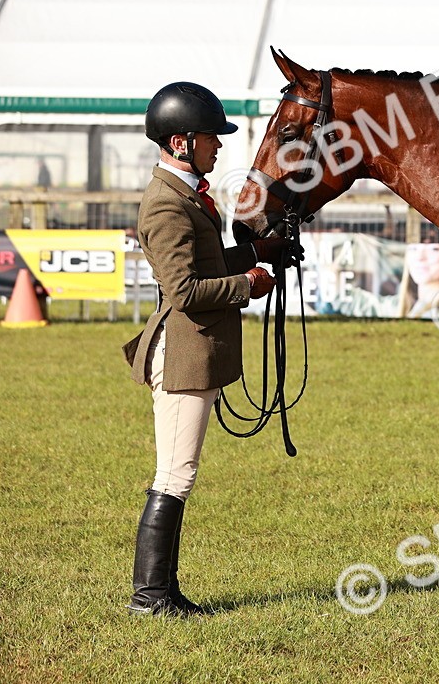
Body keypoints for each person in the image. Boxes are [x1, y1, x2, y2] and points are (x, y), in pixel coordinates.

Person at [121, 82, 288, 617]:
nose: (218, 146)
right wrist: (250, 285)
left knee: (180, 473)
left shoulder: (187, 193)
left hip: (200, 350)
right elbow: (186, 291)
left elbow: (208, 264)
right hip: (183, 354)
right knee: (175, 474)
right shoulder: (166, 204)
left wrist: (258, 251)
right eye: (210, 138)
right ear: (179, 143)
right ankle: (150, 597)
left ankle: (164, 592)